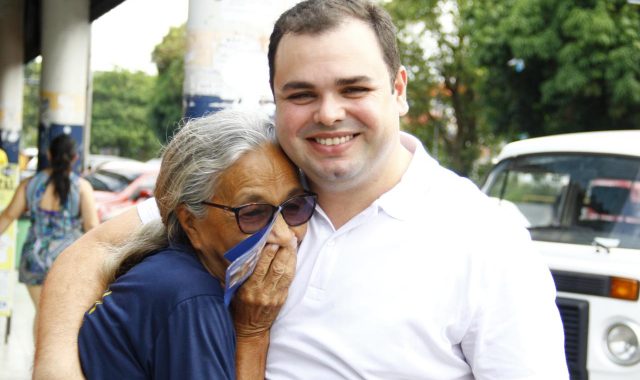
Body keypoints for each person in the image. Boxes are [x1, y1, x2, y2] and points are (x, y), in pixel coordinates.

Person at [34, 1, 569, 379]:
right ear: (274, 100)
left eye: (354, 88)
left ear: (399, 89)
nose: (329, 113)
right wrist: (55, 368)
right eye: (302, 94)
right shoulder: (254, 194)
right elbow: (93, 252)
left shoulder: (488, 239)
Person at [77, 109, 316, 379]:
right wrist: (253, 332)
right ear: (190, 223)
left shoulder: (173, 274)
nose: (284, 235)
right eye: (252, 213)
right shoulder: (191, 298)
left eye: (295, 207)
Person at [0, 134, 98, 339]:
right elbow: (91, 227)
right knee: (61, 317)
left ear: (48, 154)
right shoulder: (81, 188)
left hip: (34, 258)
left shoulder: (30, 184)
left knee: (42, 312)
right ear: (74, 158)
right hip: (66, 260)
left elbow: (8, 216)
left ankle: (38, 362)